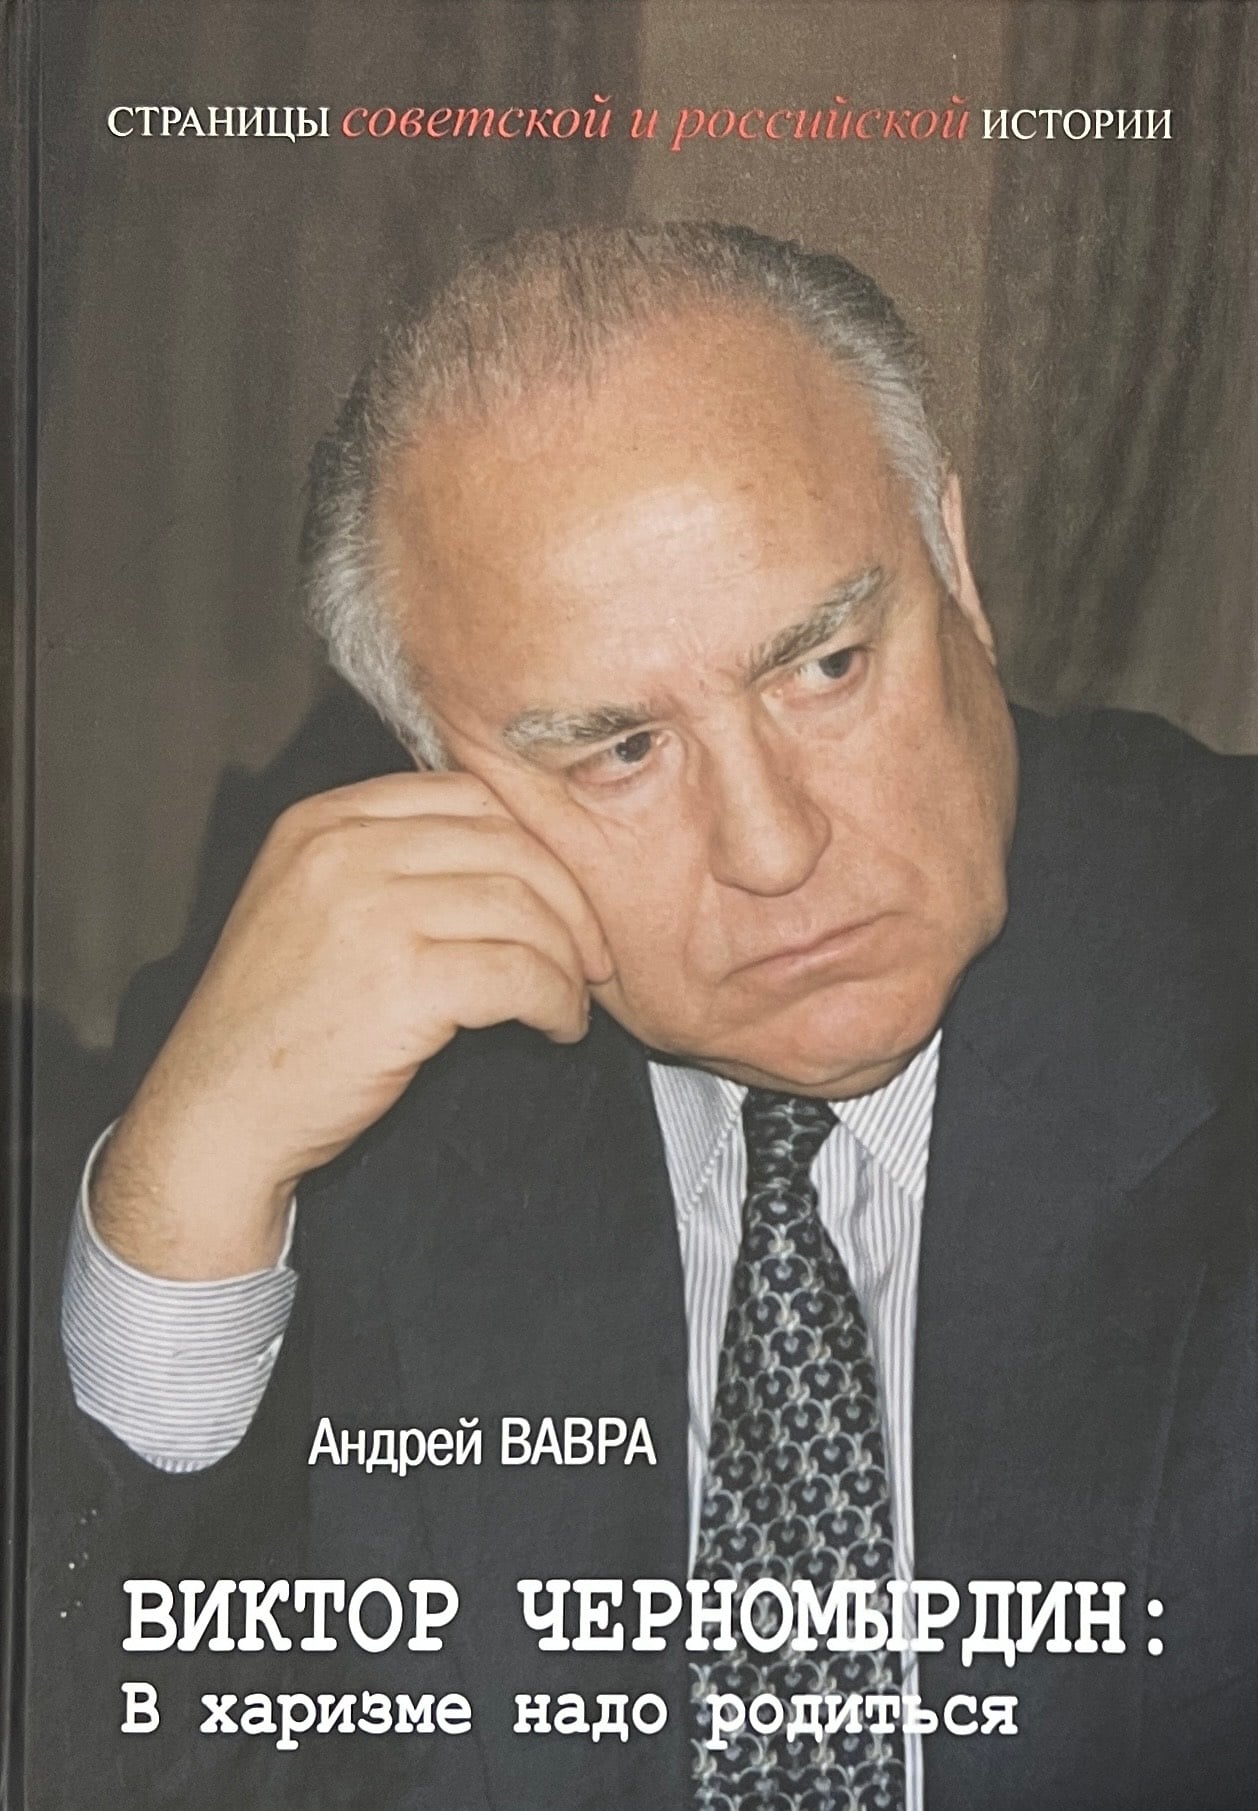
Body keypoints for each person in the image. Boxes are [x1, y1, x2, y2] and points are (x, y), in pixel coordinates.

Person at [53, 224, 1255, 1810]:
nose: (772, 845)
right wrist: (183, 1193)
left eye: (826, 666)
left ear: (953, 566)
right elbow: (163, 1748)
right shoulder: (373, 1111)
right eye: (618, 751)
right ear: (435, 780)